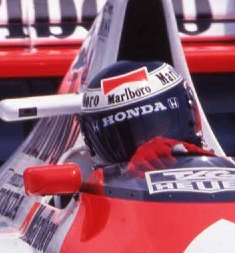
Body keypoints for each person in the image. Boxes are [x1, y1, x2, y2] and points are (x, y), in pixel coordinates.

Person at [78, 60, 214, 173]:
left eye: (157, 126)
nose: (150, 150)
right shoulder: (93, 191)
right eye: (127, 138)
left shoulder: (217, 166)